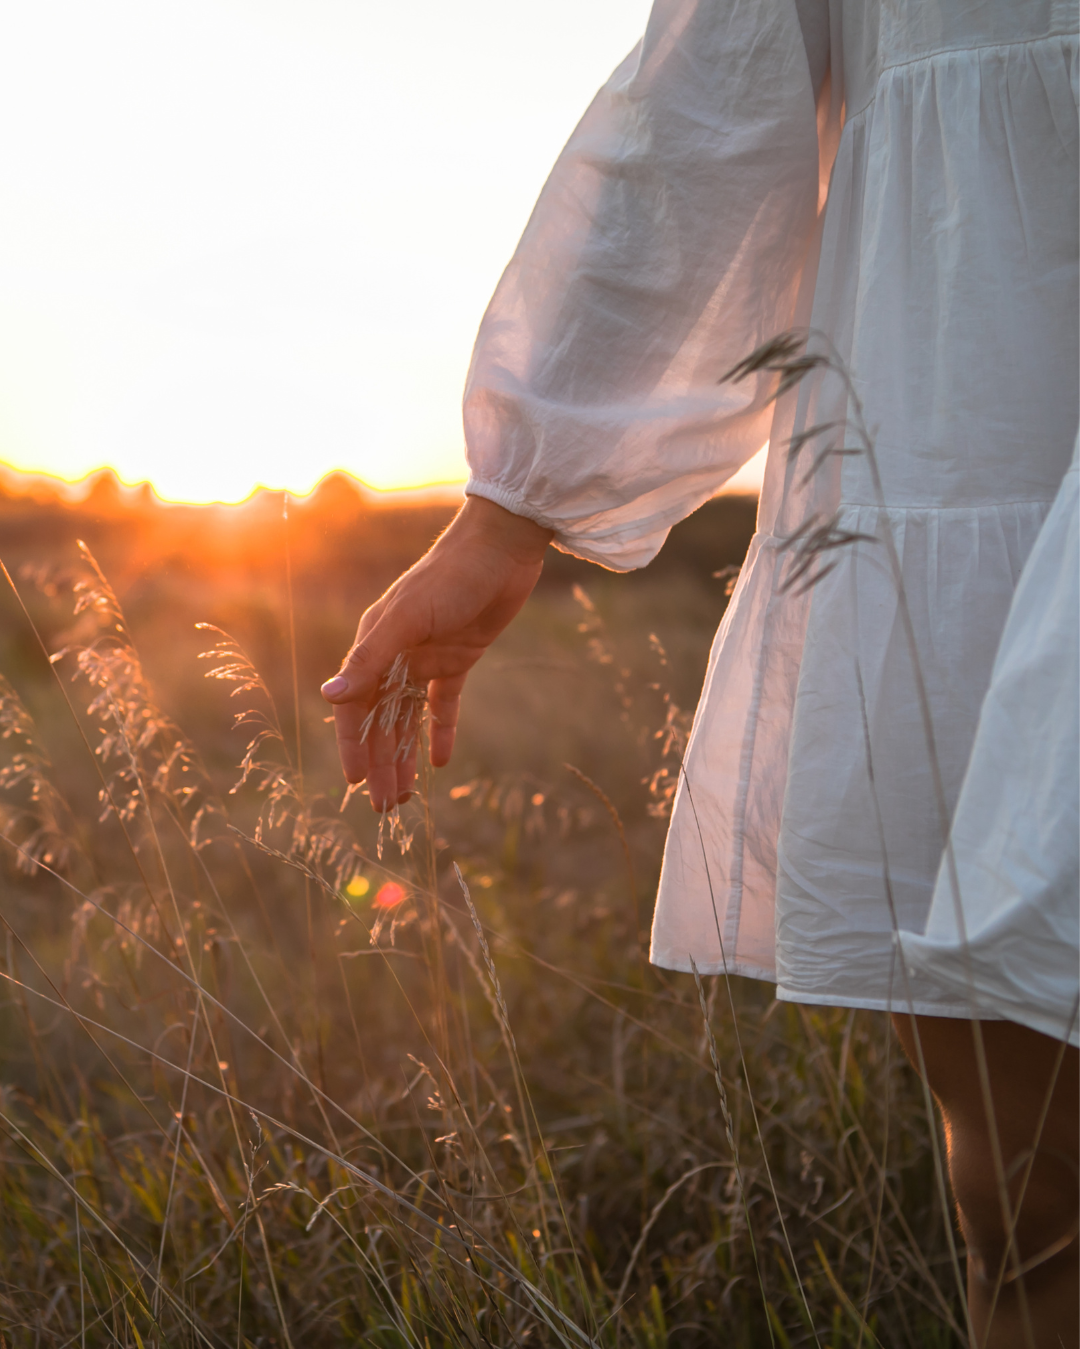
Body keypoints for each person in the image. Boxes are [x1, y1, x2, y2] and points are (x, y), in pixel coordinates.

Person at [320, 1, 1079, 1343]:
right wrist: (508, 510)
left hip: (965, 449)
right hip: (982, 436)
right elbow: (710, 107)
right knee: (1040, 1205)